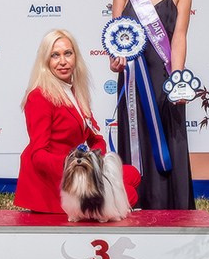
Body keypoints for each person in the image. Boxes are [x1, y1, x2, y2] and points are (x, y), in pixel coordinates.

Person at [108, 0, 195, 209]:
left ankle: (175, 207)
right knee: (136, 137)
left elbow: (179, 37)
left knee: (170, 140)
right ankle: (135, 202)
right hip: (132, 77)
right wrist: (115, 60)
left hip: (166, 77)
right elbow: (115, 31)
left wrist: (179, 79)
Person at [16, 29, 140, 214]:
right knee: (128, 193)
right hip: (55, 177)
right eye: (55, 56)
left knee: (132, 175)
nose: (63, 61)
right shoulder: (39, 96)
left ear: (75, 56)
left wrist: (96, 163)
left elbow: (95, 136)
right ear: (45, 61)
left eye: (68, 53)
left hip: (81, 168)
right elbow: (38, 156)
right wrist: (77, 168)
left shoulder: (75, 91)